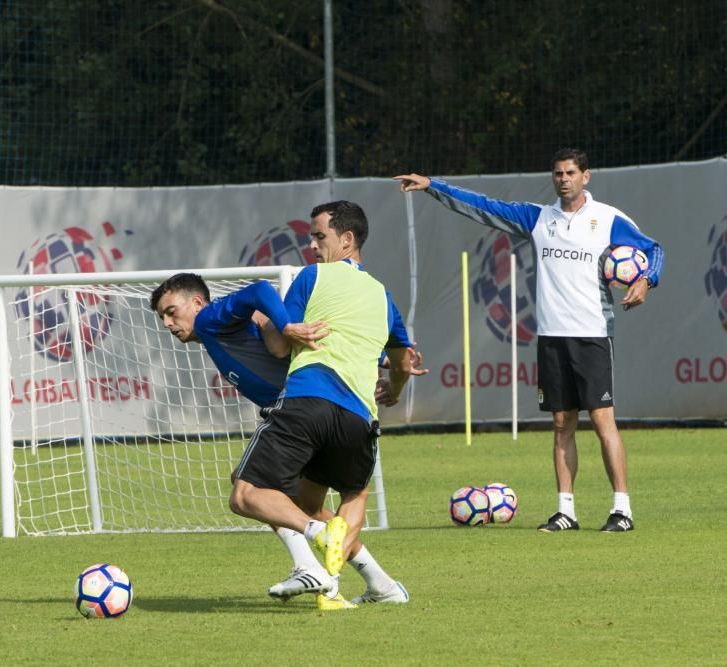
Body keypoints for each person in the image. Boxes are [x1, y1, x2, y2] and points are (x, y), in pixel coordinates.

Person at [396, 148, 664, 533]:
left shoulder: (608, 220)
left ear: (586, 176)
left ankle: (622, 509)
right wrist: (432, 187)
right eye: (558, 173)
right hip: (551, 337)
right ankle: (565, 511)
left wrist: (644, 280)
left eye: (571, 172)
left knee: (603, 421)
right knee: (560, 424)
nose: (564, 179)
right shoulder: (539, 218)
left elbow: (654, 250)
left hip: (591, 334)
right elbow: (483, 206)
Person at [150, 268, 425, 609]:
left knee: (249, 487)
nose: (166, 323)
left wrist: (285, 324)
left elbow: (261, 290)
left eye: (171, 312)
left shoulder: (208, 318)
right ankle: (381, 585)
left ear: (196, 302)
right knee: (301, 507)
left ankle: (310, 566)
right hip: (324, 410)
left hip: (304, 411)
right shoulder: (218, 331)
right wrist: (384, 360)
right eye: (161, 317)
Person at [224, 199, 422, 609]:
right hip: (359, 419)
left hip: (308, 401)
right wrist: (396, 390)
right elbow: (404, 361)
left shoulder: (312, 277)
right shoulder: (383, 297)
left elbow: (279, 347)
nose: (313, 245)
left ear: (346, 239)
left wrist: (262, 322)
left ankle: (318, 543)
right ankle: (350, 587)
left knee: (246, 494)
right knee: (341, 497)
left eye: (319, 236)